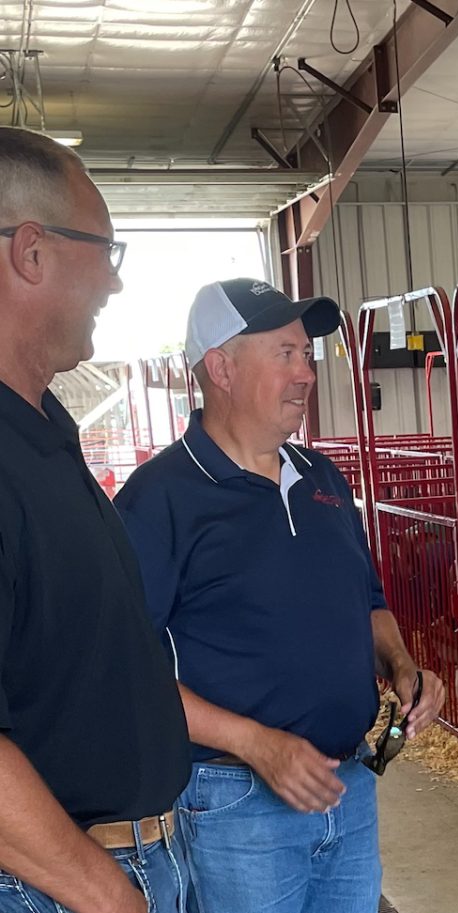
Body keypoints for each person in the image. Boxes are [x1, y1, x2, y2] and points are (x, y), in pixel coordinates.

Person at [114, 278, 447, 913]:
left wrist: (403, 665)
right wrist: (257, 743)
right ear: (221, 368)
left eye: (308, 355)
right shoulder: (160, 499)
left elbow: (368, 601)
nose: (306, 374)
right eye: (286, 354)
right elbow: (130, 674)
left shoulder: (321, 477)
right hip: (237, 801)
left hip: (347, 784)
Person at [0, 126, 191, 913]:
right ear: (31, 252)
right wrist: (108, 893)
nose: (113, 284)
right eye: (105, 251)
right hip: (56, 885)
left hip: (132, 859)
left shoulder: (43, 429)